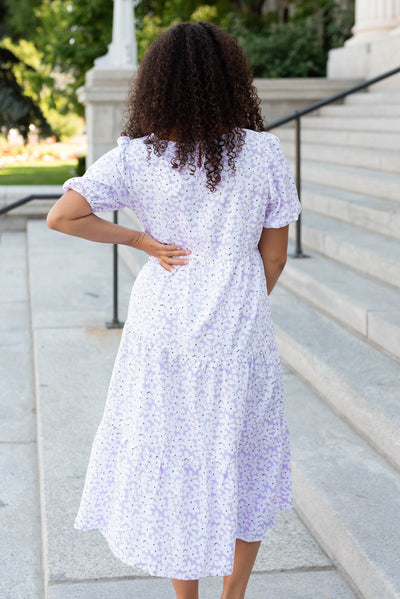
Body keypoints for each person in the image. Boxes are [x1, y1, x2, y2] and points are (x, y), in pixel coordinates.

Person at [46, 21, 301, 599]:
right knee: (245, 456)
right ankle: (231, 595)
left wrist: (140, 241)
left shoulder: (137, 157)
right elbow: (276, 256)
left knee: (176, 461)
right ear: (230, 80)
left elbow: (62, 216)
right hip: (238, 322)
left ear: (154, 84)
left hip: (163, 317)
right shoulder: (262, 153)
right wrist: (237, 302)